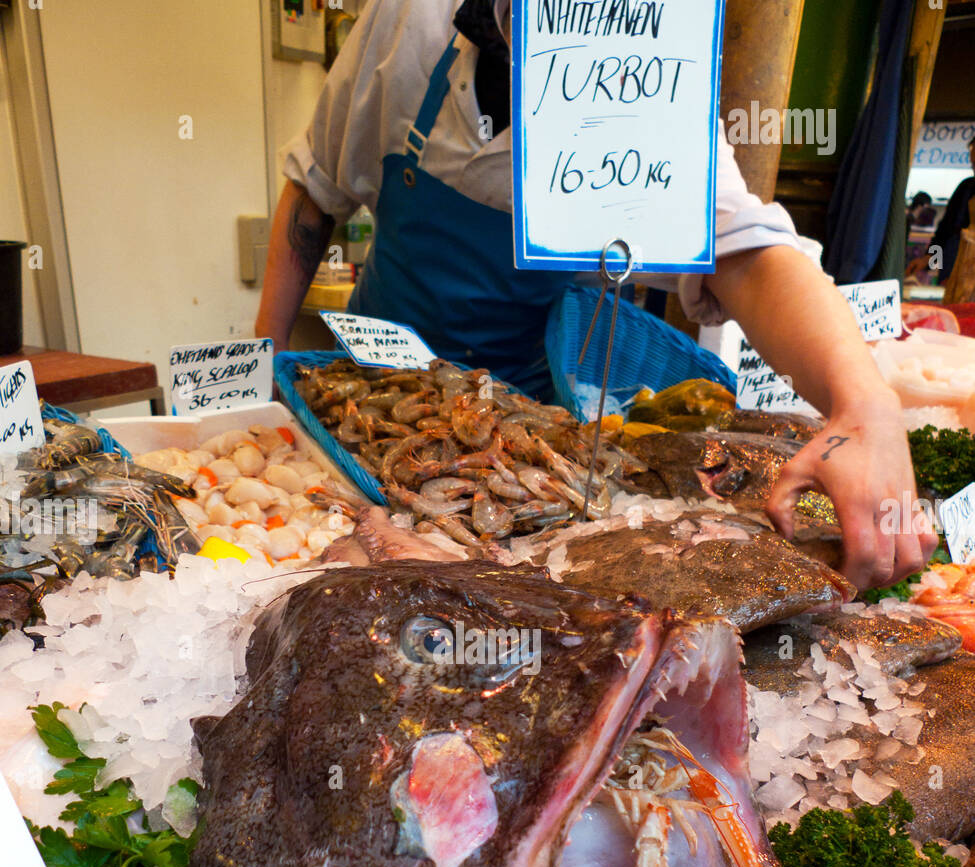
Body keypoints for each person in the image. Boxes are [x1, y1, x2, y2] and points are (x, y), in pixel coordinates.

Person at [256, 0, 935, 592]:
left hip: (524, 421)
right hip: (363, 404)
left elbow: (746, 253)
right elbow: (315, 193)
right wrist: (264, 366)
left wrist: (863, 403)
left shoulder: (645, 64)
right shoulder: (408, 20)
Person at [909, 137, 975, 284]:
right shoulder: (966, 188)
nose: (973, 165)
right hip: (952, 273)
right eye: (973, 162)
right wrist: (929, 260)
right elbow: (944, 233)